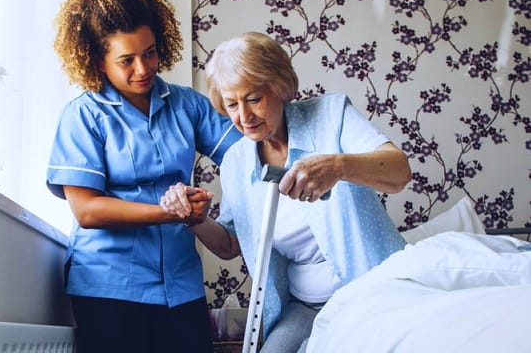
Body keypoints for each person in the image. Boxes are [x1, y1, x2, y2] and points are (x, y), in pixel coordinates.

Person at [161, 31, 412, 353]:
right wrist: (195, 219)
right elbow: (231, 244)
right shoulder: (236, 162)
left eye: (254, 99)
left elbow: (399, 172)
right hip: (302, 306)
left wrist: (339, 166)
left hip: (368, 294)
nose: (244, 117)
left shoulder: (332, 116)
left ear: (280, 87)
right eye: (232, 104)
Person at [45, 0, 243, 353]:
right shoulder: (82, 116)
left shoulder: (187, 105)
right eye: (127, 60)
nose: (143, 68)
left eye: (150, 53)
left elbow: (246, 154)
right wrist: (172, 211)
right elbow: (87, 210)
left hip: (181, 285)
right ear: (98, 61)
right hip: (108, 286)